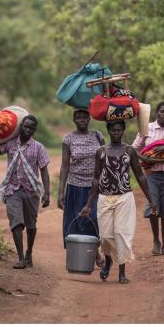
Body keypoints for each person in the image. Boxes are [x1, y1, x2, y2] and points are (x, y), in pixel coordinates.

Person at [80, 120, 157, 284]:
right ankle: (108, 260)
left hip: (124, 198)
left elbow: (140, 176)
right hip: (104, 198)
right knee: (106, 236)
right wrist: (88, 204)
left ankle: (122, 272)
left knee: (121, 234)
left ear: (123, 131)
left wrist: (151, 200)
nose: (116, 133)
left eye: (119, 130)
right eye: (113, 130)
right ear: (108, 130)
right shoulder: (100, 151)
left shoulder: (129, 151)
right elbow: (95, 179)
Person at [0, 115, 50, 269]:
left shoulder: (39, 148)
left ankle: (29, 252)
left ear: (35, 130)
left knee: (31, 225)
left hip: (31, 191)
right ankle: (21, 258)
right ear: (20, 127)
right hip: (12, 189)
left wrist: (46, 193)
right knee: (16, 223)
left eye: (31, 127)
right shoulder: (10, 144)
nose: (27, 129)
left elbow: (44, 170)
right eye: (25, 126)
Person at [132, 101, 164, 256]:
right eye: (162, 111)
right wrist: (145, 159)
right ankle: (156, 241)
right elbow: (133, 149)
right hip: (151, 175)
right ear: (157, 113)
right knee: (153, 207)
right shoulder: (146, 128)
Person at [58, 109, 105, 264]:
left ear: (89, 118)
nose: (82, 119)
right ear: (74, 120)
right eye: (78, 117)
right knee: (77, 223)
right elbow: (65, 166)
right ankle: (90, 255)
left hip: (95, 186)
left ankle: (94, 250)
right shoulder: (68, 139)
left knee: (95, 220)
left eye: (85, 117)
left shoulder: (97, 136)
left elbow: (105, 160)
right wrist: (60, 192)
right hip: (75, 186)